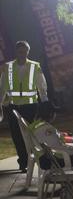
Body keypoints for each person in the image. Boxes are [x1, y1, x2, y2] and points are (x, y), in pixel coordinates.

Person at [0, 41, 51, 172]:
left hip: (31, 107)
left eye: (25, 51)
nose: (22, 54)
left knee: (32, 135)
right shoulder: (8, 67)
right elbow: (2, 87)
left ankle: (37, 160)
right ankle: (23, 162)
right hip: (13, 107)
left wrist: (45, 102)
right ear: (16, 52)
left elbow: (42, 86)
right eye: (20, 51)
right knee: (17, 136)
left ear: (28, 52)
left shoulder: (35, 66)